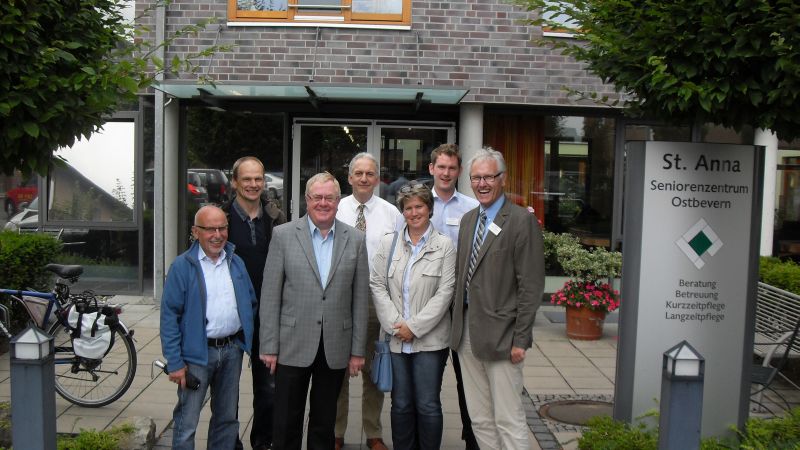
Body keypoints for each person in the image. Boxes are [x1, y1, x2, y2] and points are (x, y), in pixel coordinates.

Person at [259, 172, 370, 450]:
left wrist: (358, 351)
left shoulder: (355, 239)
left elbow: (359, 299)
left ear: (338, 200)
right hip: (292, 343)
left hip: (334, 346)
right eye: (317, 197)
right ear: (307, 200)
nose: (323, 203)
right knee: (286, 420)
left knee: (324, 422)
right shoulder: (283, 235)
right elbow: (270, 295)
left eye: (329, 198)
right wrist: (269, 346)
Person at [450, 147, 545, 449]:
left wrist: (521, 338)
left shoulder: (520, 220)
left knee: (508, 417)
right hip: (466, 333)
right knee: (479, 418)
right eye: (476, 177)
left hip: (503, 336)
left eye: (489, 177)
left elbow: (531, 285)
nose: (482, 184)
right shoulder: (467, 221)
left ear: (502, 179)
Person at [160, 205, 257, 450]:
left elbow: (250, 302)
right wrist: (174, 362)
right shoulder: (183, 266)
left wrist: (246, 339)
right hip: (196, 355)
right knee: (187, 419)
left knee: (227, 419)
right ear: (195, 231)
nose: (217, 234)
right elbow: (169, 315)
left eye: (222, 228)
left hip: (231, 350)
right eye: (210, 229)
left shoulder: (236, 262)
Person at [370, 183, 456, 450]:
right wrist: (397, 326)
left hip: (430, 342)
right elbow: (377, 284)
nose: (414, 212)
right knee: (401, 403)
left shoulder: (444, 246)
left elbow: (446, 292)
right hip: (396, 339)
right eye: (408, 207)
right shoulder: (389, 243)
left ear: (429, 209)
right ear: (402, 212)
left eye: (419, 206)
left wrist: (414, 327)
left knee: (428, 403)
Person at [334, 152, 402, 450]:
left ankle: (373, 431)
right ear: (349, 177)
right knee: (337, 370)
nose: (363, 178)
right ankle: (335, 432)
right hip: (339, 300)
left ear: (377, 178)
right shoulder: (333, 209)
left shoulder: (392, 214)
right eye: (358, 173)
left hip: (377, 301)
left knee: (374, 370)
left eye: (369, 174)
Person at [220, 156, 286, 450]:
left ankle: (263, 442)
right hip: (231, 317)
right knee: (227, 390)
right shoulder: (219, 220)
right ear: (234, 182)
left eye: (258, 178)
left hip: (267, 316)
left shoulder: (276, 218)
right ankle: (229, 443)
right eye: (246, 179)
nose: (253, 184)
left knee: (269, 390)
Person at [427, 143, 480, 449]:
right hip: (427, 306)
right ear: (431, 168)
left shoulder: (472, 208)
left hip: (462, 306)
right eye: (441, 167)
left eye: (452, 168)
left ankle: (472, 437)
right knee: (429, 379)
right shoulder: (418, 204)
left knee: (467, 379)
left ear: (459, 172)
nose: (446, 173)